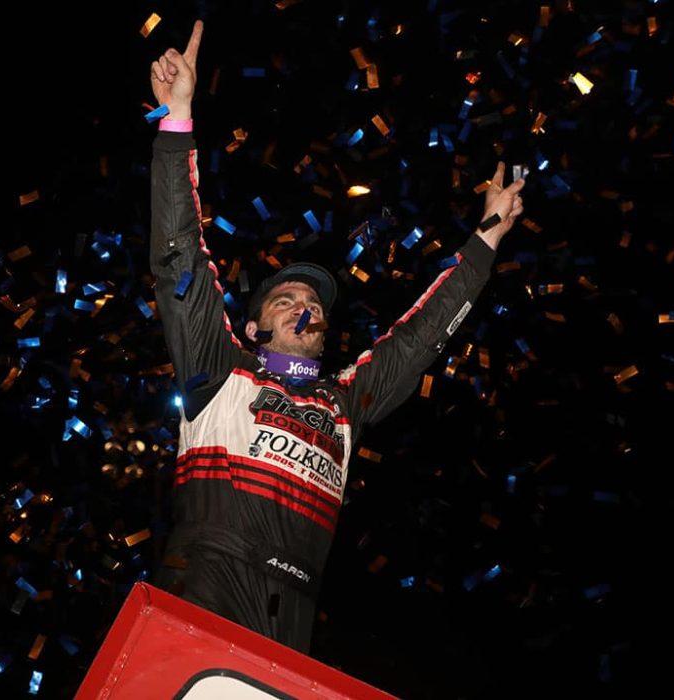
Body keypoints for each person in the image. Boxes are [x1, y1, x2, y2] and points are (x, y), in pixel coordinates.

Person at [148, 20, 525, 653]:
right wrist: (177, 117)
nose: (304, 305)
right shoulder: (219, 369)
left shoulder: (345, 402)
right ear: (252, 326)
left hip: (293, 615)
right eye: (286, 298)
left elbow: (420, 338)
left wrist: (486, 238)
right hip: (204, 585)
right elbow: (179, 255)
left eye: (315, 303)